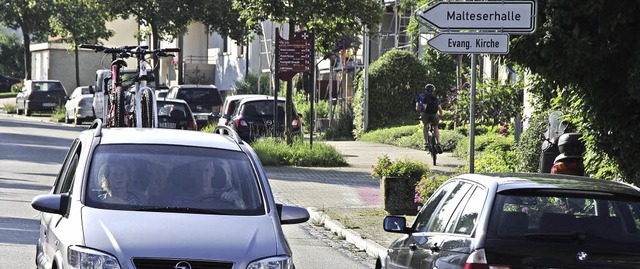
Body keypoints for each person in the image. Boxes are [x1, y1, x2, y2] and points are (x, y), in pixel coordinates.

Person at [173, 160, 245, 209]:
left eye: (207, 171)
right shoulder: (182, 199)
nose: (202, 176)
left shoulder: (225, 196)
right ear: (192, 174)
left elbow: (242, 209)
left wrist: (234, 201)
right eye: (198, 171)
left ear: (213, 172)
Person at [416, 84, 443, 153]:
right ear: (433, 90)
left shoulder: (421, 96)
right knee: (436, 127)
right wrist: (441, 115)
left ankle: (425, 143)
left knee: (425, 126)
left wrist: (421, 113)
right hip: (434, 114)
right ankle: (438, 142)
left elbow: (417, 108)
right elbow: (439, 109)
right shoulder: (436, 97)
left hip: (425, 114)